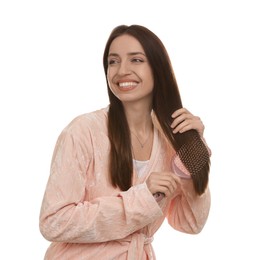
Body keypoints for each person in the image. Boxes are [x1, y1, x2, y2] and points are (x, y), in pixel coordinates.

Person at [39, 24, 211, 260]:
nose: (121, 70)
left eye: (136, 60)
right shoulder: (83, 131)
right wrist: (141, 198)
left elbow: (190, 223)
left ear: (158, 68)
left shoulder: (170, 141)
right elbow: (53, 222)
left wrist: (194, 151)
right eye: (113, 61)